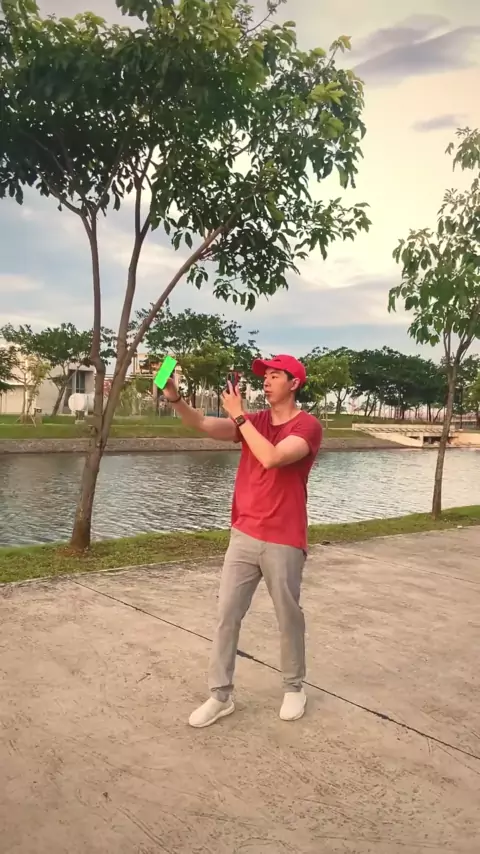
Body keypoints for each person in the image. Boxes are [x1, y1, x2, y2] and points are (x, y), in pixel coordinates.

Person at [162, 354, 322, 728]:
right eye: (265, 376)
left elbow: (272, 457)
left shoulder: (307, 426)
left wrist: (238, 415)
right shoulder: (255, 421)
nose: (266, 381)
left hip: (284, 537)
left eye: (275, 376)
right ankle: (220, 695)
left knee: (288, 616)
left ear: (294, 383)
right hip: (244, 534)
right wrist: (175, 397)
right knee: (227, 615)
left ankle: (294, 687)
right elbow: (201, 423)